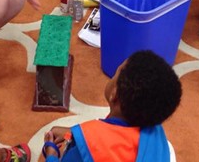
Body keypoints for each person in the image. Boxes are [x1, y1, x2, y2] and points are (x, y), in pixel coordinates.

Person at [41, 50, 182, 161]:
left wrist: (51, 154)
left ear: (114, 94)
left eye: (116, 72)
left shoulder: (86, 149)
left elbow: (96, 146)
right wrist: (74, 134)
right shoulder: (158, 137)